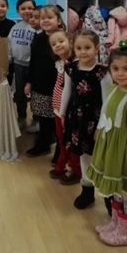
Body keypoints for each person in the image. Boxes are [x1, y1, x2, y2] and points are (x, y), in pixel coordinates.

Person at [87, 42, 127, 247]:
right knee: (117, 190)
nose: (120, 74)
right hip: (112, 151)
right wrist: (100, 129)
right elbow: (107, 112)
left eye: (126, 69)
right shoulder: (114, 89)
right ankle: (116, 225)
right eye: (115, 68)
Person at [59, 29, 112, 210]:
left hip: (96, 121)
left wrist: (101, 126)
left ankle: (108, 195)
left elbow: (107, 101)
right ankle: (87, 191)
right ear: (73, 48)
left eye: (87, 47)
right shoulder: (71, 68)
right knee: (84, 155)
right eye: (79, 48)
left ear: (96, 48)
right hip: (77, 118)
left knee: (101, 157)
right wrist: (63, 113)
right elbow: (67, 91)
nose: (83, 52)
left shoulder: (102, 72)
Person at [25, 4, 64, 157]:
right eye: (42, 18)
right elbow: (33, 61)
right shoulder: (38, 38)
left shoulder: (63, 39)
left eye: (50, 17)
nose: (45, 20)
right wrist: (29, 81)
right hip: (40, 84)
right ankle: (44, 144)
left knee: (58, 119)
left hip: (58, 86)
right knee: (43, 116)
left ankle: (60, 150)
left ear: (58, 20)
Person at [47, 30, 81, 185]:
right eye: (54, 44)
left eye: (61, 41)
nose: (58, 45)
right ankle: (61, 165)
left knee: (71, 141)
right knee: (61, 140)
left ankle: (76, 170)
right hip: (58, 108)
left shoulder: (76, 64)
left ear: (71, 43)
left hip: (69, 111)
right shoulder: (60, 63)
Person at [8, 0, 37, 130]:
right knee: (19, 93)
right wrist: (8, 61)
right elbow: (9, 46)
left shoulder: (38, 28)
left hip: (34, 66)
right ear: (17, 11)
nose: (27, 11)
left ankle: (36, 119)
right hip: (18, 65)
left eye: (30, 8)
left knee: (36, 94)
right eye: (23, 8)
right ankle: (21, 117)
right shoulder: (15, 27)